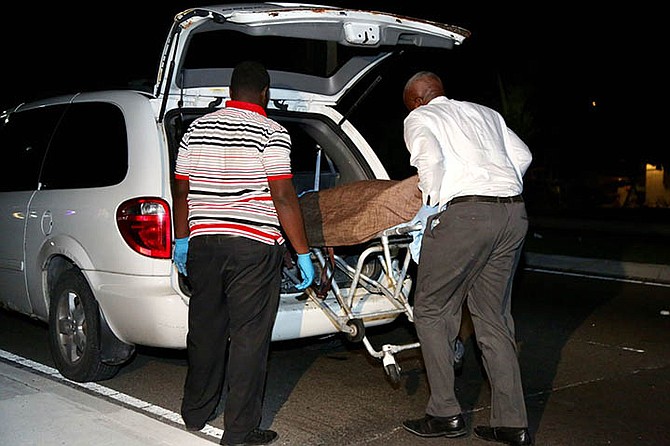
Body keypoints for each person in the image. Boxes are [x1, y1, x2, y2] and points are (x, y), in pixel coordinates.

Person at [172, 60, 315, 446]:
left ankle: (195, 412)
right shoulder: (272, 132)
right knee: (250, 338)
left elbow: (182, 191)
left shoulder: (195, 129)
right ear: (265, 94)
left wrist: (182, 239)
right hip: (252, 248)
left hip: (203, 244)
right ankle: (239, 430)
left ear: (231, 92)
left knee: (205, 330)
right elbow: (283, 194)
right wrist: (302, 252)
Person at [400, 71, 533, 446]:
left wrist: (433, 207)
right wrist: (498, 184)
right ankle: (512, 423)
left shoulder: (420, 118)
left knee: (431, 311)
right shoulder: (487, 113)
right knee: (493, 317)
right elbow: (523, 155)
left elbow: (430, 162)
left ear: (415, 100)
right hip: (513, 214)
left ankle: (444, 414)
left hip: (466, 216)